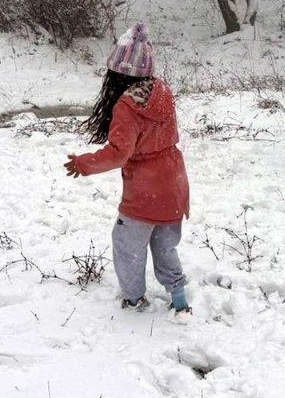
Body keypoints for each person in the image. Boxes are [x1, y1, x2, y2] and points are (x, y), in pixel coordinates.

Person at [64, 23, 192, 315]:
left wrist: (84, 163)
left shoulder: (127, 106)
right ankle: (179, 297)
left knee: (127, 246)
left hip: (145, 191)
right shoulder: (162, 91)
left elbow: (119, 153)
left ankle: (134, 299)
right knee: (165, 246)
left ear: (117, 73)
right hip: (174, 184)